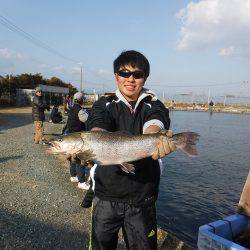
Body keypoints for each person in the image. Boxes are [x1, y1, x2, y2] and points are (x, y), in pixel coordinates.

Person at [86, 50, 175, 250]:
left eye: (137, 74)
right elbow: (98, 124)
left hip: (143, 196)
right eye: (124, 73)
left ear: (145, 77)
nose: (130, 79)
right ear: (116, 76)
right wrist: (91, 143)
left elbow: (156, 122)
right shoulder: (104, 104)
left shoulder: (154, 104)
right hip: (106, 195)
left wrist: (155, 139)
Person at [66, 92, 89, 190]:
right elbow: (87, 120)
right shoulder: (80, 111)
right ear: (82, 100)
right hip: (78, 138)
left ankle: (73, 176)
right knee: (80, 159)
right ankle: (82, 182)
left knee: (72, 157)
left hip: (71, 136)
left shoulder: (71, 109)